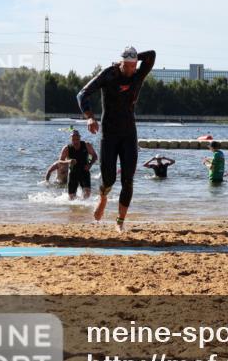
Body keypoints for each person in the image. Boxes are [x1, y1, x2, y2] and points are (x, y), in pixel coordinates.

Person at [76, 45, 156, 232]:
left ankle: (120, 221)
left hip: (129, 133)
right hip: (109, 134)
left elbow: (151, 55)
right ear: (120, 63)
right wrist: (89, 116)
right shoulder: (109, 74)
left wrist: (134, 57)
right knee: (109, 179)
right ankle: (103, 197)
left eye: (132, 66)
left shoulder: (138, 74)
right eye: (126, 66)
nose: (129, 70)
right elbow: (82, 94)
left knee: (128, 179)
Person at [59, 129, 97, 200]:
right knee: (71, 199)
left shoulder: (86, 145)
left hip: (84, 172)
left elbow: (95, 156)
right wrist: (69, 161)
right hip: (73, 173)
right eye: (73, 138)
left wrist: (90, 165)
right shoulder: (67, 148)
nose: (75, 140)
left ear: (80, 137)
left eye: (77, 138)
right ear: (71, 138)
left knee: (87, 196)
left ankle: (85, 210)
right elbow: (60, 161)